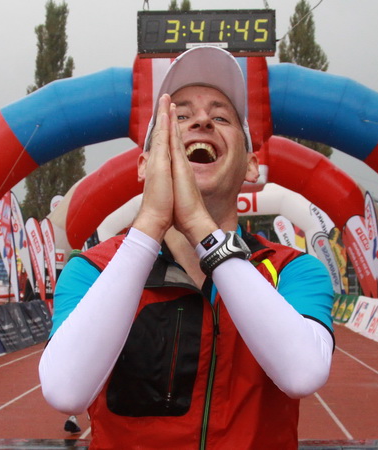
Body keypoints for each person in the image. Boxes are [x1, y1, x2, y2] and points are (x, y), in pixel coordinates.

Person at [39, 46, 334, 449]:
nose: (202, 121)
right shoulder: (92, 269)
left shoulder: (293, 269)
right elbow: (64, 391)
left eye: (221, 117)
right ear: (144, 165)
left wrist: (199, 227)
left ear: (251, 165)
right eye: (179, 116)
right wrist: (149, 224)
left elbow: (303, 374)